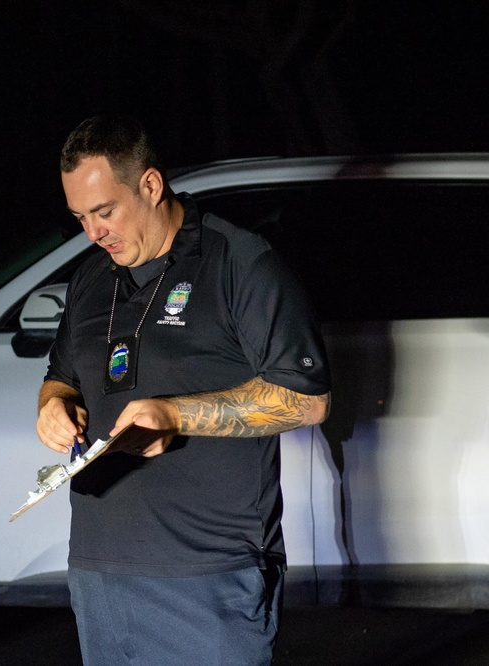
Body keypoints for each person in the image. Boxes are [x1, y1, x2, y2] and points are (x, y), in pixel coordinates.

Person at [35, 116, 331, 665]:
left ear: (150, 185)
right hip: (101, 569)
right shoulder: (90, 280)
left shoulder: (239, 262)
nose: (93, 233)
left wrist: (174, 414)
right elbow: (62, 377)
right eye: (80, 217)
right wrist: (53, 406)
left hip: (211, 571)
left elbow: (307, 398)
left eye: (104, 212)